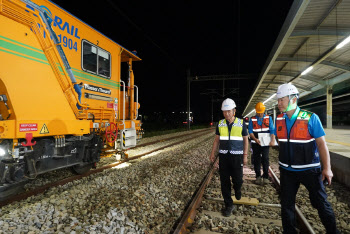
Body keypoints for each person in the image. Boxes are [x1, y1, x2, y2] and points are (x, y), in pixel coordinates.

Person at [274, 83, 339, 234]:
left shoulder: (311, 118)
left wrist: (327, 168)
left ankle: (333, 232)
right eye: (278, 100)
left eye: (282, 100)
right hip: (287, 172)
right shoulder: (279, 119)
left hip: (310, 171)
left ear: (293, 99)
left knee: (320, 203)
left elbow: (322, 145)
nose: (279, 103)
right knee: (287, 205)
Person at [209, 98, 249, 217]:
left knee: (238, 180)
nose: (226, 113)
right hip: (224, 157)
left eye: (229, 111)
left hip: (237, 157)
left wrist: (245, 156)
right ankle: (228, 204)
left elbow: (246, 140)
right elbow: (216, 141)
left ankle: (237, 189)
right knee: (224, 182)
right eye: (224, 111)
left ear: (234, 111)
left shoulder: (241, 123)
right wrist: (212, 153)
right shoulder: (220, 124)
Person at [248, 102, 275, 185]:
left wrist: (273, 140)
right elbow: (250, 131)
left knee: (265, 158)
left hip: (265, 143)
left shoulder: (268, 118)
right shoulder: (252, 119)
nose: (260, 114)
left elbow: (272, 130)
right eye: (258, 112)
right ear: (256, 111)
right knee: (256, 159)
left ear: (264, 111)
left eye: (261, 112)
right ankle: (258, 176)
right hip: (255, 143)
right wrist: (255, 139)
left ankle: (266, 176)